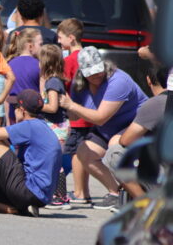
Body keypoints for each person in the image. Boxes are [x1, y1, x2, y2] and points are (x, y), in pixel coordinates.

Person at [60, 47, 147, 211]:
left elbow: (100, 117)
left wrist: (71, 105)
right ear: (83, 72)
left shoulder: (119, 80)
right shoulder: (79, 85)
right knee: (84, 152)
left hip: (135, 125)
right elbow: (74, 117)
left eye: (98, 70)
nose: (96, 75)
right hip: (107, 128)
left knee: (116, 144)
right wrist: (65, 107)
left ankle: (132, 194)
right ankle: (115, 193)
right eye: (91, 73)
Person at [111, 62, 169, 199]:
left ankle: (144, 202)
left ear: (148, 80)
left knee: (114, 153)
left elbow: (126, 140)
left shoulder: (155, 104)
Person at [56, 18, 89, 203]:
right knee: (83, 151)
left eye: (60, 38)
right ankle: (84, 191)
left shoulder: (69, 60)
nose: (59, 41)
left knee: (76, 153)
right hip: (88, 111)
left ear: (71, 38)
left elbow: (64, 85)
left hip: (74, 114)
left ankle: (78, 193)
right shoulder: (87, 56)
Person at [38, 44, 71, 208]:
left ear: (45, 63)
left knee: (55, 162)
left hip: (56, 127)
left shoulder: (52, 83)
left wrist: (35, 106)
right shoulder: (56, 81)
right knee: (54, 161)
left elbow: (52, 107)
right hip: (58, 126)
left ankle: (59, 196)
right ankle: (57, 194)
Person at [5, 28, 42, 125]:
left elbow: (6, 96)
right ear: (30, 46)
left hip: (14, 114)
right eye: (40, 44)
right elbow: (43, 94)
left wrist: (8, 121)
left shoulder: (10, 64)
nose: (42, 48)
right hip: (34, 116)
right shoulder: (39, 65)